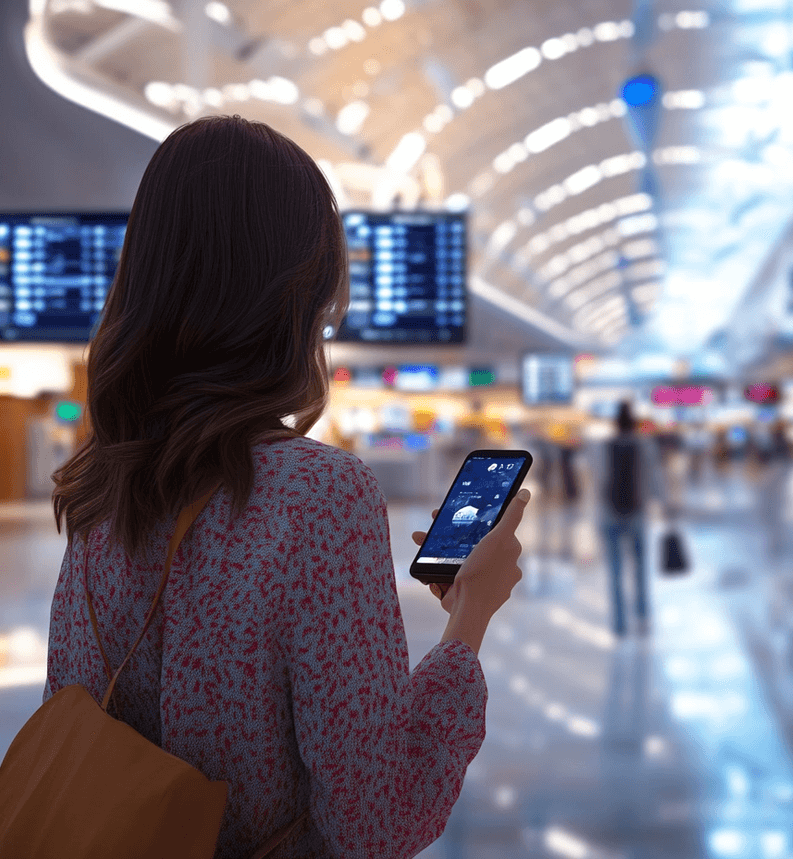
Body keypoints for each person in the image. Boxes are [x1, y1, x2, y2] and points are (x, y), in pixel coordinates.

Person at [46, 115, 529, 859]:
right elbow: (374, 824)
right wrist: (470, 617)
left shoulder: (99, 491)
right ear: (295, 297)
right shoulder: (321, 496)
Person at [595, 401, 666, 637]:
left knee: (615, 571)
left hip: (610, 514)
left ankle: (619, 624)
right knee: (640, 568)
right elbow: (654, 478)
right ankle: (643, 617)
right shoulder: (644, 445)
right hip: (637, 513)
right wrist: (663, 503)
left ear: (615, 423)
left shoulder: (604, 446)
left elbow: (599, 481)